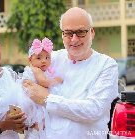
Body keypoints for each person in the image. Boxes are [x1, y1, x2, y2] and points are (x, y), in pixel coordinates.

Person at [23, 7, 118, 139]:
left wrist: (48, 99)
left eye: (81, 32)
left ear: (92, 32)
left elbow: (94, 110)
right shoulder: (50, 59)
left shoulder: (106, 65)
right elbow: (27, 86)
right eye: (68, 33)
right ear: (62, 34)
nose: (74, 39)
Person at [20, 37, 63, 138]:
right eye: (39, 58)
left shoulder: (38, 69)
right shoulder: (36, 70)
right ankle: (33, 135)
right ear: (30, 60)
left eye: (47, 57)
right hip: (34, 103)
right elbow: (44, 82)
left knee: (38, 122)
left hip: (32, 100)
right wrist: (56, 81)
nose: (44, 61)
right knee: (41, 121)